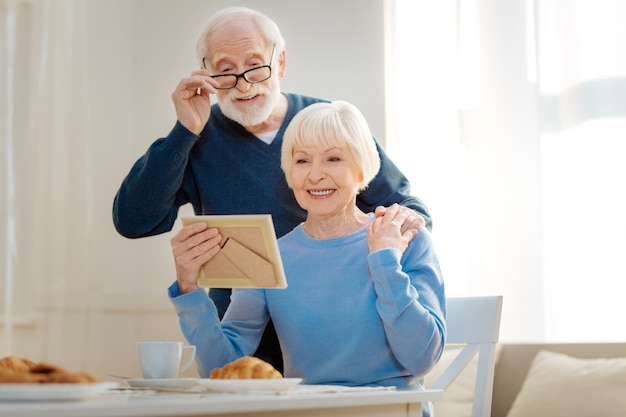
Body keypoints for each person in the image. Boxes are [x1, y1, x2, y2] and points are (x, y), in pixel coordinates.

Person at [112, 6, 432, 373]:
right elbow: (133, 220)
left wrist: (395, 247)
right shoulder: (197, 139)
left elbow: (408, 211)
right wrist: (184, 131)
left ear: (279, 63)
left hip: (335, 332)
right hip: (242, 338)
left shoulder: (327, 125)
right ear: (208, 74)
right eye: (226, 70)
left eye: (254, 64)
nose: (244, 83)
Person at [168, 100, 445, 392]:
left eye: (333, 159)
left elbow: (422, 358)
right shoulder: (271, 256)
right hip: (306, 409)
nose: (315, 175)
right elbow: (220, 368)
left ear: (362, 171)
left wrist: (385, 260)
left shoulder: (406, 240)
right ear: (289, 173)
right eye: (302, 161)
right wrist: (189, 289)